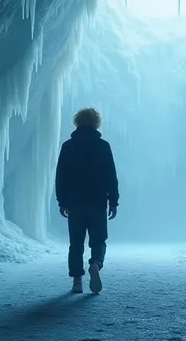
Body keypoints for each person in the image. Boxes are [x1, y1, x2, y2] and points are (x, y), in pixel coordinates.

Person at [55, 107, 119, 294]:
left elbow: (61, 176)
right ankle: (96, 264)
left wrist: (62, 201)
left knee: (76, 242)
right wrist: (113, 201)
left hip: (75, 203)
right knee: (98, 240)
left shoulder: (68, 146)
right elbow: (111, 176)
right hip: (97, 202)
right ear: (96, 123)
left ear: (77, 122)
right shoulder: (103, 146)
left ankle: (77, 281)